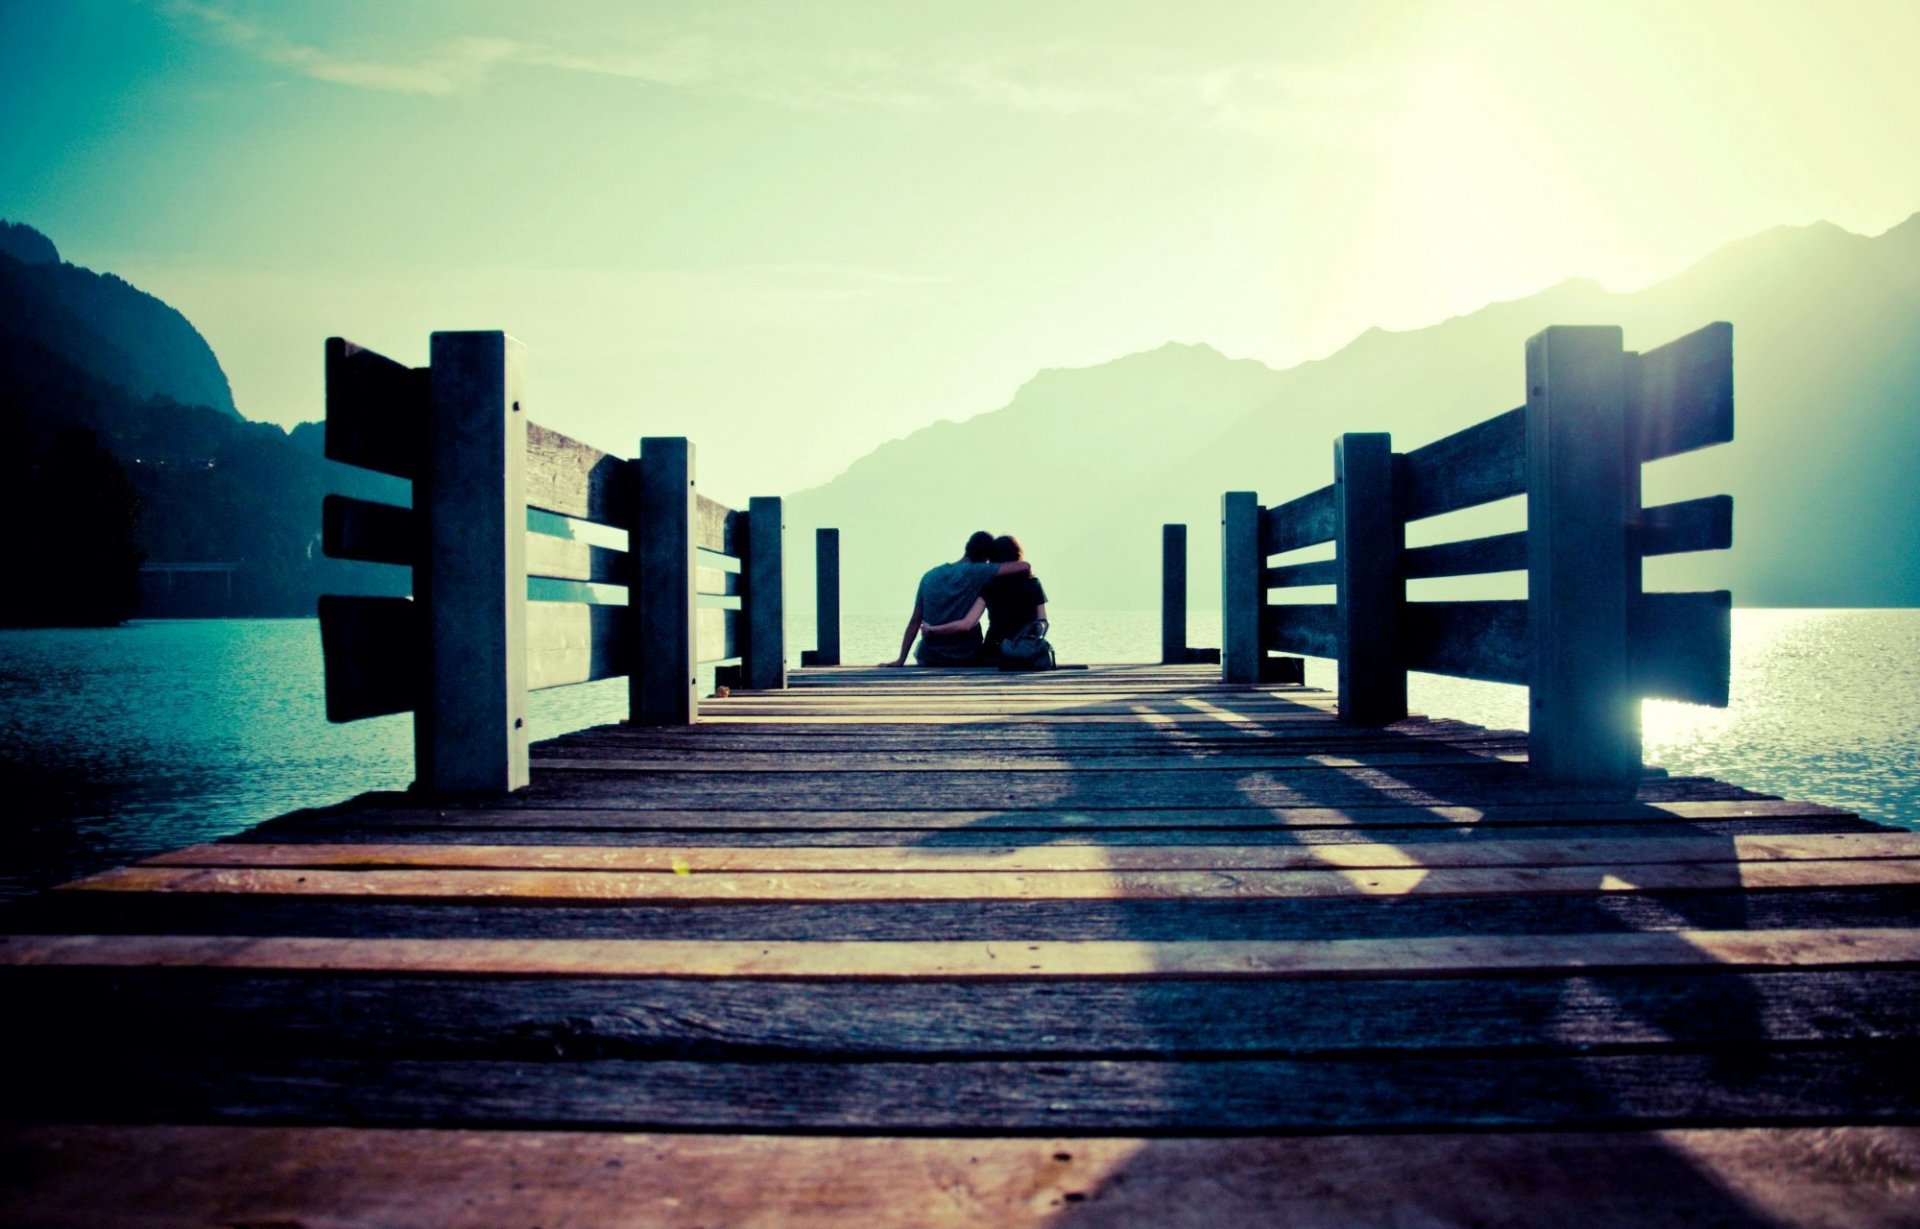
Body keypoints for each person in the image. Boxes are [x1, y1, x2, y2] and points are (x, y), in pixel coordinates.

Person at [879, 531, 1033, 667]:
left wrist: (901, 659)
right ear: (987, 557)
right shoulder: (980, 572)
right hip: (967, 656)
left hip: (930, 657)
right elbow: (1025, 566)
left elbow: (915, 621)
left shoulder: (929, 576)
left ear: (967, 548)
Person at [919, 534, 1049, 662]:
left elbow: (966, 624)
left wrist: (932, 630)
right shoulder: (1033, 584)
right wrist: (1031, 640)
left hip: (995, 652)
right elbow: (1042, 622)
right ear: (1017, 554)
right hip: (1026, 652)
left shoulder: (990, 586)